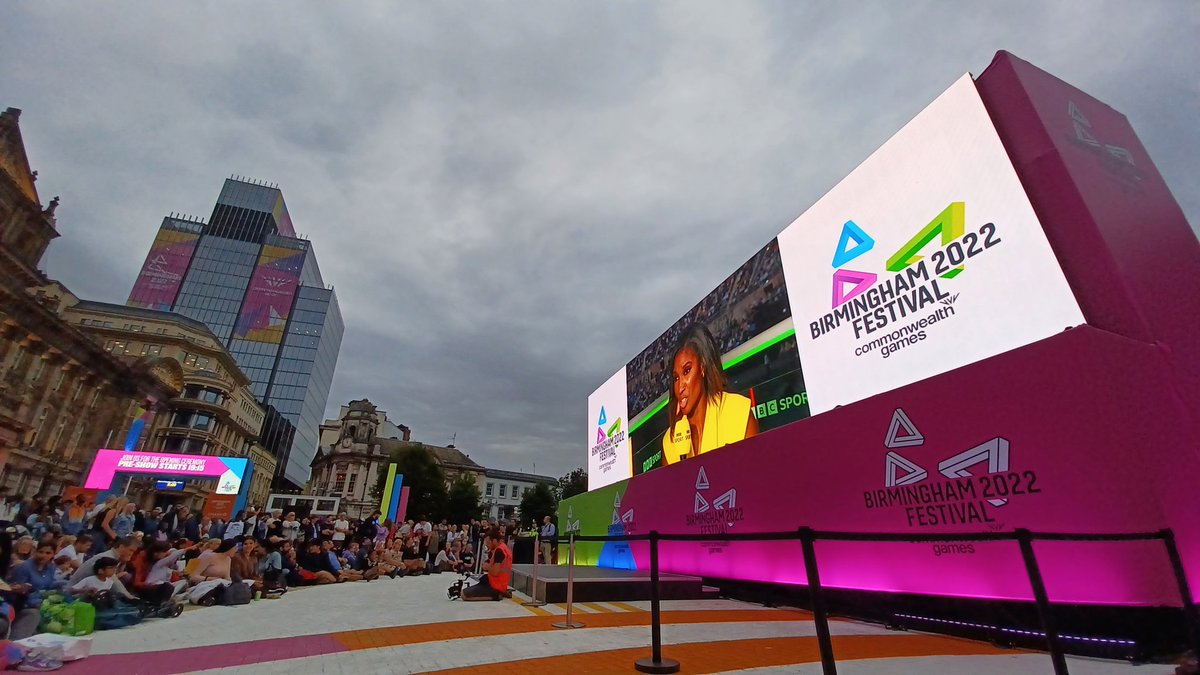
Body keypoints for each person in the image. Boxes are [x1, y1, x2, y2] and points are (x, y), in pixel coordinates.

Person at [661, 323, 758, 465]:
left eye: (687, 371)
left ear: (702, 367)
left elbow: (757, 477)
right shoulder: (670, 442)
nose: (679, 387)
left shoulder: (739, 411)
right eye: (676, 378)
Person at [68, 536, 138, 587]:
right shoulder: (107, 557)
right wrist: (129, 596)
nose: (131, 554)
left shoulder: (116, 558)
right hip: (75, 592)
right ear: (121, 547)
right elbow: (114, 583)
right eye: (130, 550)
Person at [461, 529, 511, 601]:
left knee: (464, 595)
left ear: (494, 541)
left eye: (488, 543)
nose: (488, 547)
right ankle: (500, 593)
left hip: (495, 585)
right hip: (499, 583)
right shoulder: (504, 548)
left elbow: (495, 572)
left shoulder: (499, 551)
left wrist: (487, 567)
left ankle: (495, 596)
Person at [69, 556, 137, 602]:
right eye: (111, 568)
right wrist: (85, 590)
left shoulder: (109, 582)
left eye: (115, 568)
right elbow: (72, 590)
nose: (114, 570)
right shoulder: (89, 580)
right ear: (100, 570)